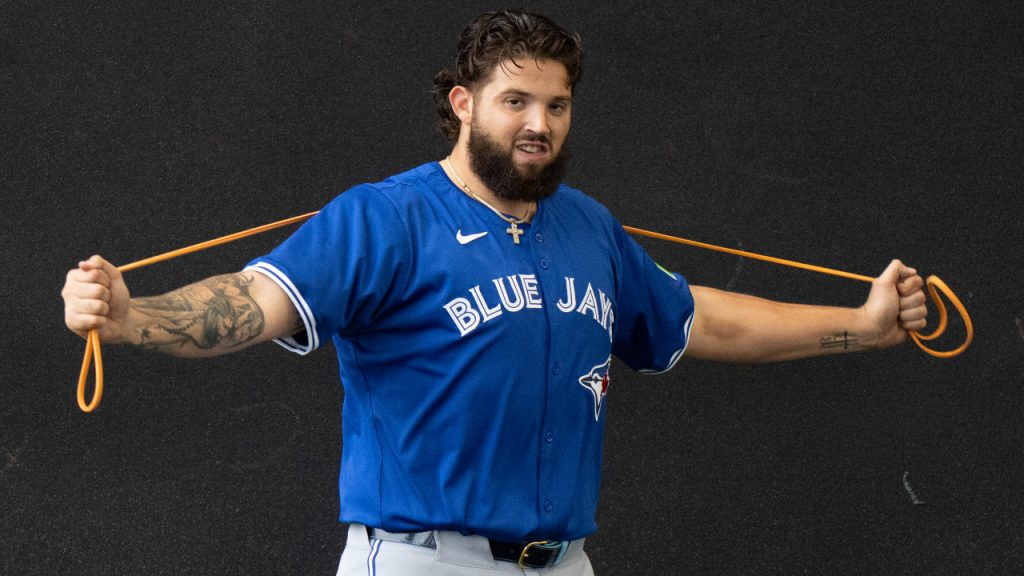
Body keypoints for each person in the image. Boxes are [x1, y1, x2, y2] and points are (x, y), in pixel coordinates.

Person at [61, 9, 927, 576]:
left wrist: (862, 325)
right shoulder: (385, 218)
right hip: (422, 559)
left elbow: (705, 323)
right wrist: (135, 318)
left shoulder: (589, 228)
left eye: (556, 105)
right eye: (516, 100)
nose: (539, 125)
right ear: (464, 103)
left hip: (565, 561)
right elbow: (254, 303)